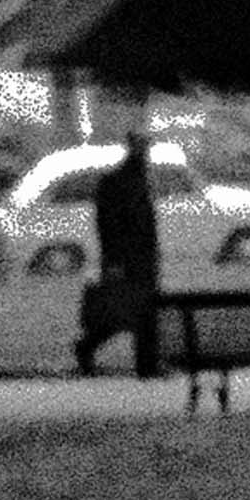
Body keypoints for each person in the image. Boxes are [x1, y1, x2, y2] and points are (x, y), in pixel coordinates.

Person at [76, 128, 162, 376]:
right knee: (128, 311)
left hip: (135, 258)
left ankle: (147, 363)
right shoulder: (122, 182)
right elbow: (110, 226)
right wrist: (115, 260)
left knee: (128, 311)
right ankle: (145, 363)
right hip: (132, 259)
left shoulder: (128, 180)